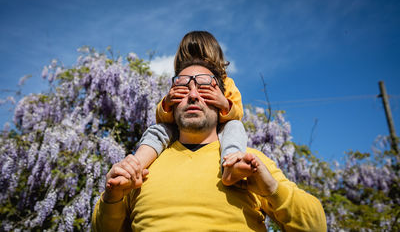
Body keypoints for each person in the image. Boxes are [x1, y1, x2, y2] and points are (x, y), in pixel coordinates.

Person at [92, 60, 327, 231]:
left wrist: (271, 189)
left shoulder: (248, 162)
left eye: (205, 89)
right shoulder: (140, 166)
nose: (193, 95)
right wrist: (112, 196)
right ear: (171, 105)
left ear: (222, 107)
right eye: (183, 89)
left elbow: (315, 226)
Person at [134, 31, 248, 185]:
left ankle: (231, 163)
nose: (196, 63)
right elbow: (162, 117)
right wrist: (167, 104)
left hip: (218, 131)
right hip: (182, 131)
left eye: (202, 57)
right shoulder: (181, 81)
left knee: (235, 126)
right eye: (189, 57)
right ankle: (136, 164)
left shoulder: (227, 83)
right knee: (159, 129)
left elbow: (238, 114)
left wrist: (224, 104)